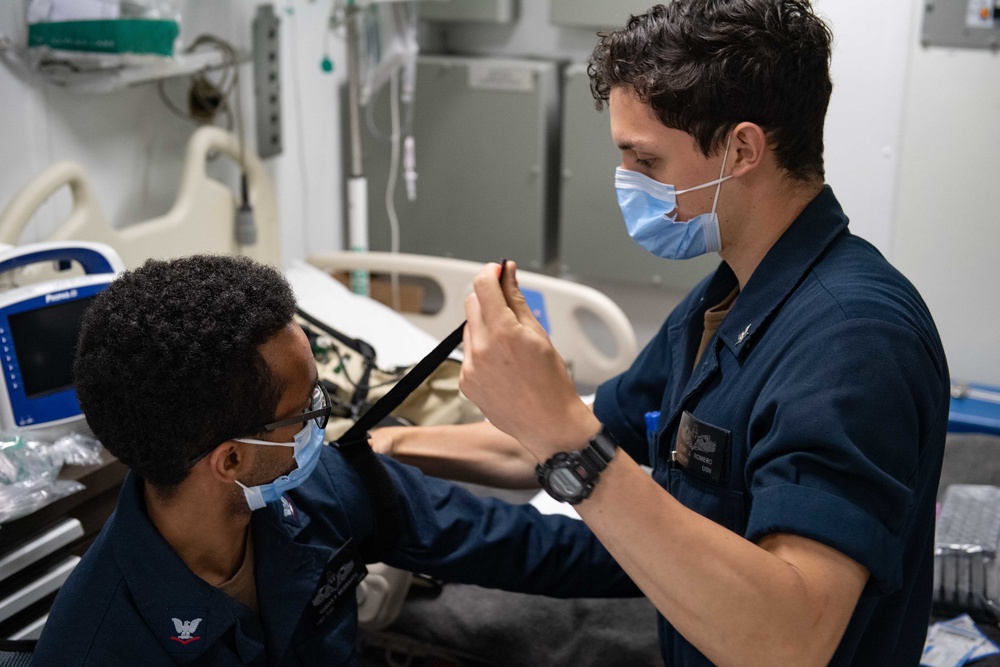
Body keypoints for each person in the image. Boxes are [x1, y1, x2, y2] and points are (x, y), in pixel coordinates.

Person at [374, 2, 951, 665]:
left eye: (644, 160)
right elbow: (580, 431)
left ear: (740, 149)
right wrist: (391, 442)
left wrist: (561, 432)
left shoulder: (856, 340)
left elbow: (790, 639)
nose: (627, 185)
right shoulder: (728, 297)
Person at [31, 255, 638, 666]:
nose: (323, 419)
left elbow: (507, 542)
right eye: (305, 409)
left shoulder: (324, 487)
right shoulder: (98, 643)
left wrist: (673, 555)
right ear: (232, 460)